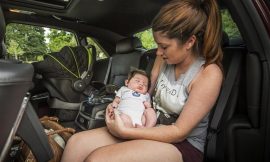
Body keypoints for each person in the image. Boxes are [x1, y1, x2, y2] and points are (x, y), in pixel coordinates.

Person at [61, 0, 223, 162]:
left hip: (183, 144)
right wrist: (118, 105)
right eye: (158, 45)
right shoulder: (163, 58)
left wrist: (126, 132)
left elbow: (179, 132)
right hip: (149, 125)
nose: (158, 52)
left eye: (164, 46)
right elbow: (146, 94)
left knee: (98, 159)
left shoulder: (208, 74)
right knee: (76, 143)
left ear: (190, 42)